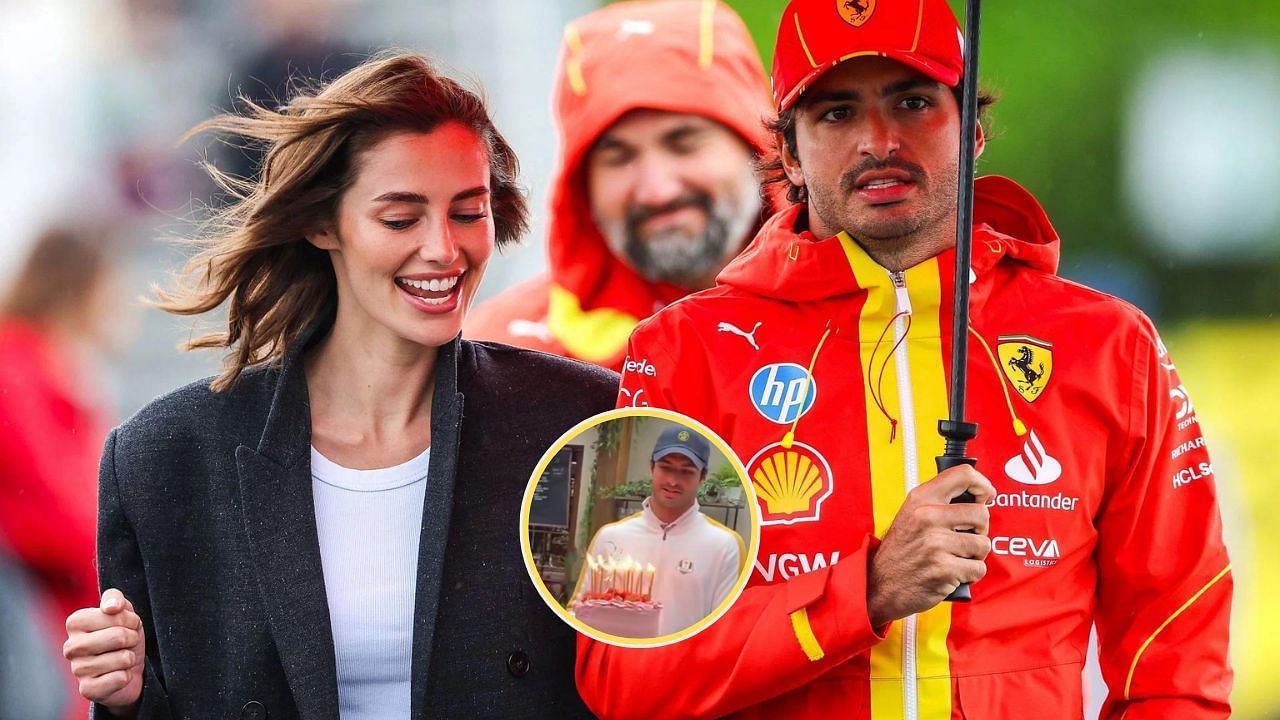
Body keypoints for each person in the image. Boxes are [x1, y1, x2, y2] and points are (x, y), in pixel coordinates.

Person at [579, 1, 1232, 718]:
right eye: (836, 114)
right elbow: (623, 673)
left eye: (913, 101)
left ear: (972, 130)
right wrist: (867, 591)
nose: (878, 141)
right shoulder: (683, 350)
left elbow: (1178, 663)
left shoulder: (1109, 344)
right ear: (789, 154)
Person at [60, 53, 617, 719]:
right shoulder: (167, 457)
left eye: (468, 211)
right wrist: (126, 700)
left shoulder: (581, 422)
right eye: (400, 218)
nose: (443, 248)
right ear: (323, 224)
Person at [465, 0, 774, 370]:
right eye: (618, 157)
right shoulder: (502, 357)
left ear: (760, 148)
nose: (657, 191)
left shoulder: (854, 321)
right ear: (580, 185)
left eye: (684, 143)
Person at [0, 227, 121, 720]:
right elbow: (57, 507)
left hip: (59, 617)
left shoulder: (53, 367)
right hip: (38, 614)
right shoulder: (19, 368)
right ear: (80, 288)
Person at [571, 423, 743, 637]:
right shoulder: (611, 536)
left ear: (702, 477)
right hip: (618, 666)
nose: (673, 481)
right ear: (652, 467)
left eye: (686, 472)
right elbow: (578, 614)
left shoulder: (725, 545)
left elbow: (725, 631)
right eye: (666, 467)